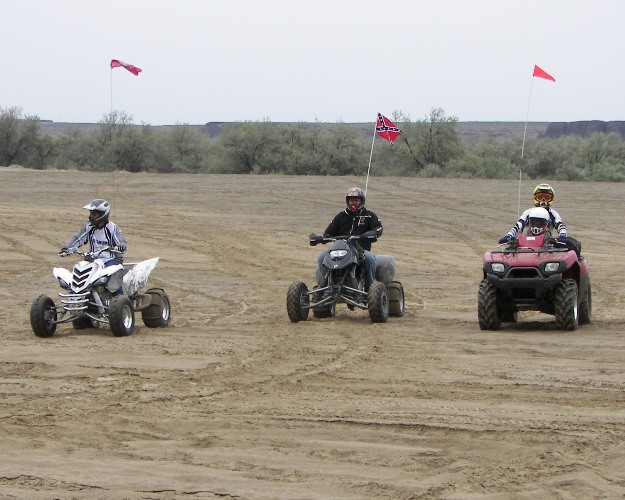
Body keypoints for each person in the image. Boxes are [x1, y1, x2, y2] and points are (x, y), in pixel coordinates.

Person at [314, 187, 383, 291]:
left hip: (360, 249)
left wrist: (372, 233)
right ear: (347, 201)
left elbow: (378, 228)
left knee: (370, 259)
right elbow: (329, 232)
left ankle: (370, 290)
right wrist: (322, 238)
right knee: (321, 258)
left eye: (356, 200)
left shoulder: (369, 216)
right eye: (351, 200)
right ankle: (323, 288)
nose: (353, 203)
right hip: (339, 248)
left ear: (361, 201)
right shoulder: (341, 216)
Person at [60, 198, 127, 268]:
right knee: (81, 270)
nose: (91, 216)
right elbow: (78, 238)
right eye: (91, 213)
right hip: (93, 260)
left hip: (111, 260)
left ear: (102, 214)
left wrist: (121, 246)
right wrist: (66, 248)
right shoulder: (89, 227)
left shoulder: (113, 228)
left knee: (111, 271)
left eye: (94, 214)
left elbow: (122, 242)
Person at [499, 183, 568, 244]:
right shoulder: (528, 213)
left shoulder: (553, 214)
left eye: (546, 198)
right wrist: (509, 235)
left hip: (546, 244)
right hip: (526, 243)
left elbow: (561, 226)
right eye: (540, 197)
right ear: (535, 198)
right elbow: (518, 225)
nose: (543, 201)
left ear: (551, 199)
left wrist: (562, 235)